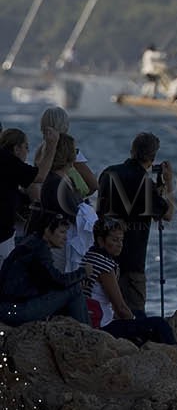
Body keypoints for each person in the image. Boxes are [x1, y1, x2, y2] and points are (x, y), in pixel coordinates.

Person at [96, 133, 174, 314]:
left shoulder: (108, 173)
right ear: (152, 157)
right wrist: (168, 184)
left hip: (103, 257)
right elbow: (167, 214)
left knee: (105, 313)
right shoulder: (144, 183)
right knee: (135, 313)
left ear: (132, 151)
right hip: (132, 261)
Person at [82, 217, 175, 343]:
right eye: (114, 240)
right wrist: (134, 321)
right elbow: (120, 307)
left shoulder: (89, 256)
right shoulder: (105, 267)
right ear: (100, 241)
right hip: (102, 327)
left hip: (92, 318)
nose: (120, 244)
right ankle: (176, 354)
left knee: (140, 315)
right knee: (159, 323)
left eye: (121, 240)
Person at [0, 212, 88, 325]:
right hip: (16, 310)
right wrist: (83, 272)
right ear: (47, 231)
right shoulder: (39, 249)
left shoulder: (30, 242)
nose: (65, 238)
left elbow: (48, 281)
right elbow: (58, 280)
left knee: (71, 288)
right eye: (62, 232)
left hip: (9, 308)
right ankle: (87, 334)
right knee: (74, 289)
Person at [37, 133, 97, 272]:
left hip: (64, 242)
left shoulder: (62, 178)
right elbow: (73, 212)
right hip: (58, 245)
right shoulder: (55, 182)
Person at [0, 125, 59, 262]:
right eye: (26, 147)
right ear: (16, 149)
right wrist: (52, 145)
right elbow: (40, 177)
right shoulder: (7, 160)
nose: (27, 151)